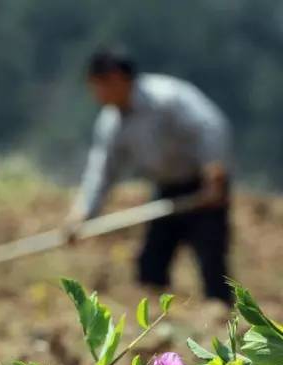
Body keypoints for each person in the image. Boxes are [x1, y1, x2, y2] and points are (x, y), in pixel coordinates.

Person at [65, 46, 233, 304]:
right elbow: (102, 172)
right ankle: (158, 324)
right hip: (167, 190)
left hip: (203, 188)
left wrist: (214, 172)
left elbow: (209, 126)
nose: (95, 93)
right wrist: (83, 214)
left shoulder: (166, 98)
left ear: (116, 78)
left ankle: (225, 320)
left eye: (98, 85)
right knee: (151, 265)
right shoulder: (112, 123)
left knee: (212, 262)